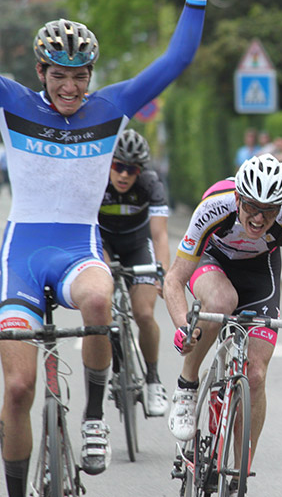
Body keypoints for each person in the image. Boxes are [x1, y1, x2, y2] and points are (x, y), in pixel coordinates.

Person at [0, 0, 206, 494]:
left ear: (92, 74)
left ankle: (94, 419)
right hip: (22, 257)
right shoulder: (13, 102)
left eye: (81, 76)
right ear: (41, 72)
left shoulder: (111, 107)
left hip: (78, 249)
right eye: (59, 76)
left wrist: (196, 1)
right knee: (18, 388)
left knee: (99, 299)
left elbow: (176, 60)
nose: (70, 87)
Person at [165, 154, 282, 466]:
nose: (259, 218)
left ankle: (241, 472)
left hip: (259, 273)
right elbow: (174, 278)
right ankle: (187, 386)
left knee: (255, 374)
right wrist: (183, 327)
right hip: (212, 260)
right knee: (220, 302)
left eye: (269, 212)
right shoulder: (214, 206)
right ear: (238, 198)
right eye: (252, 208)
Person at [98, 129, 170, 416]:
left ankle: (153, 379)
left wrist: (161, 272)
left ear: (141, 170)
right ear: (109, 163)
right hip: (103, 242)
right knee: (99, 300)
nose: (124, 175)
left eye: (131, 169)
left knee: (143, 314)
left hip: (137, 245)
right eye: (118, 166)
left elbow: (161, 235)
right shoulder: (96, 179)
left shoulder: (151, 184)